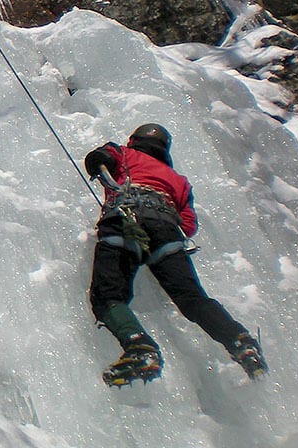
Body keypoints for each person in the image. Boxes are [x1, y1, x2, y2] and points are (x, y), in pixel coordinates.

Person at [83, 123, 267, 385]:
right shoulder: (179, 181)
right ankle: (240, 340)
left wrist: (98, 165)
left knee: (107, 296)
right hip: (166, 232)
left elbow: (99, 158)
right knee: (192, 299)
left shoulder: (124, 153)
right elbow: (188, 225)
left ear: (135, 140)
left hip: (124, 222)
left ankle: (140, 348)